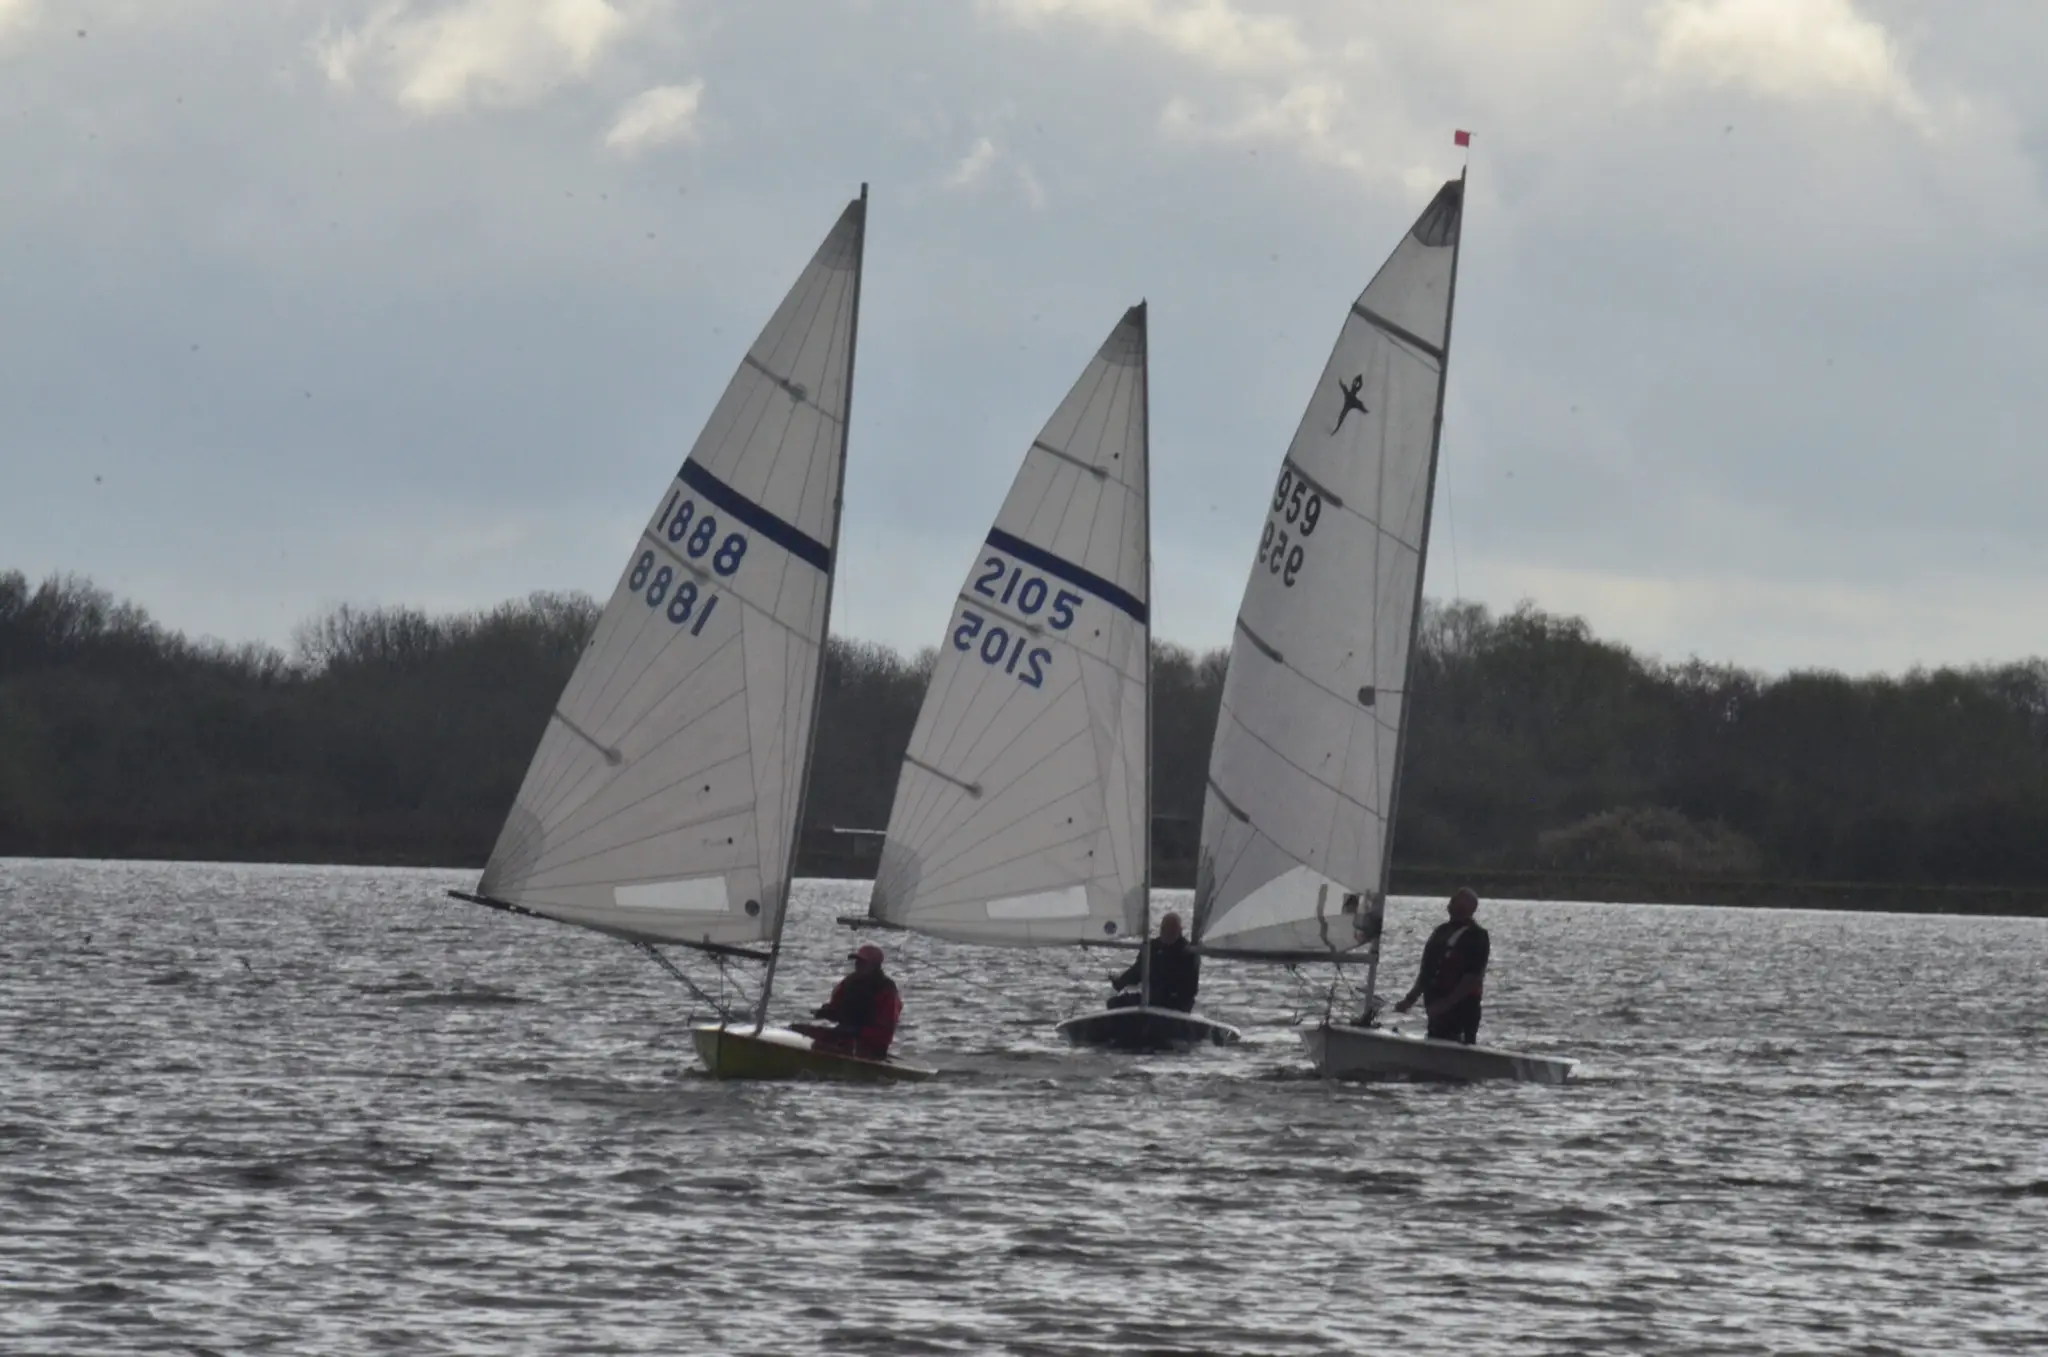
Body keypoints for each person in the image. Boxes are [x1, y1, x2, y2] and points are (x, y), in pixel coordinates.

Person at [1392, 888, 1490, 1045]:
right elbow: (1426, 971)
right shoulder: (1441, 931)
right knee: (1435, 1040)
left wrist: (1445, 1004)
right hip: (1435, 1007)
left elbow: (1472, 977)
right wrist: (1409, 999)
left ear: (1467, 908)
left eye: (1454, 901)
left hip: (1462, 1009)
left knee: (1459, 1046)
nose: (1449, 904)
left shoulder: (1477, 936)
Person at [805, 943, 901, 1060]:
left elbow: (885, 1031)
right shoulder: (849, 983)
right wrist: (827, 1012)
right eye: (857, 962)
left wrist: (859, 1032)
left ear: (874, 966)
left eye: (863, 963)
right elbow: (837, 1007)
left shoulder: (886, 990)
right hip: (846, 1036)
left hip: (872, 1045)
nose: (858, 965)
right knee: (820, 1043)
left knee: (850, 1047)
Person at [1105, 911, 1200, 1012]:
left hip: (1177, 1004)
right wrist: (1119, 982)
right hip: (1152, 999)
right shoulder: (1152, 947)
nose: (1168, 932)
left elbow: (1191, 989)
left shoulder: (1189, 952)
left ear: (1179, 931)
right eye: (1165, 929)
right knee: (1113, 1003)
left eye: (1173, 930)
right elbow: (1137, 972)